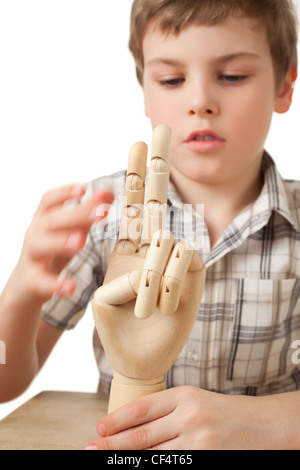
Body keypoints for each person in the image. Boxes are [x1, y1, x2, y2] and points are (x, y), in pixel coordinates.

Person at [0, 0, 299, 450]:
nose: (200, 102)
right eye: (172, 79)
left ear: (284, 85)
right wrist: (20, 295)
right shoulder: (104, 215)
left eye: (232, 75)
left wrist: (266, 421)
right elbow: (6, 383)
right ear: (144, 91)